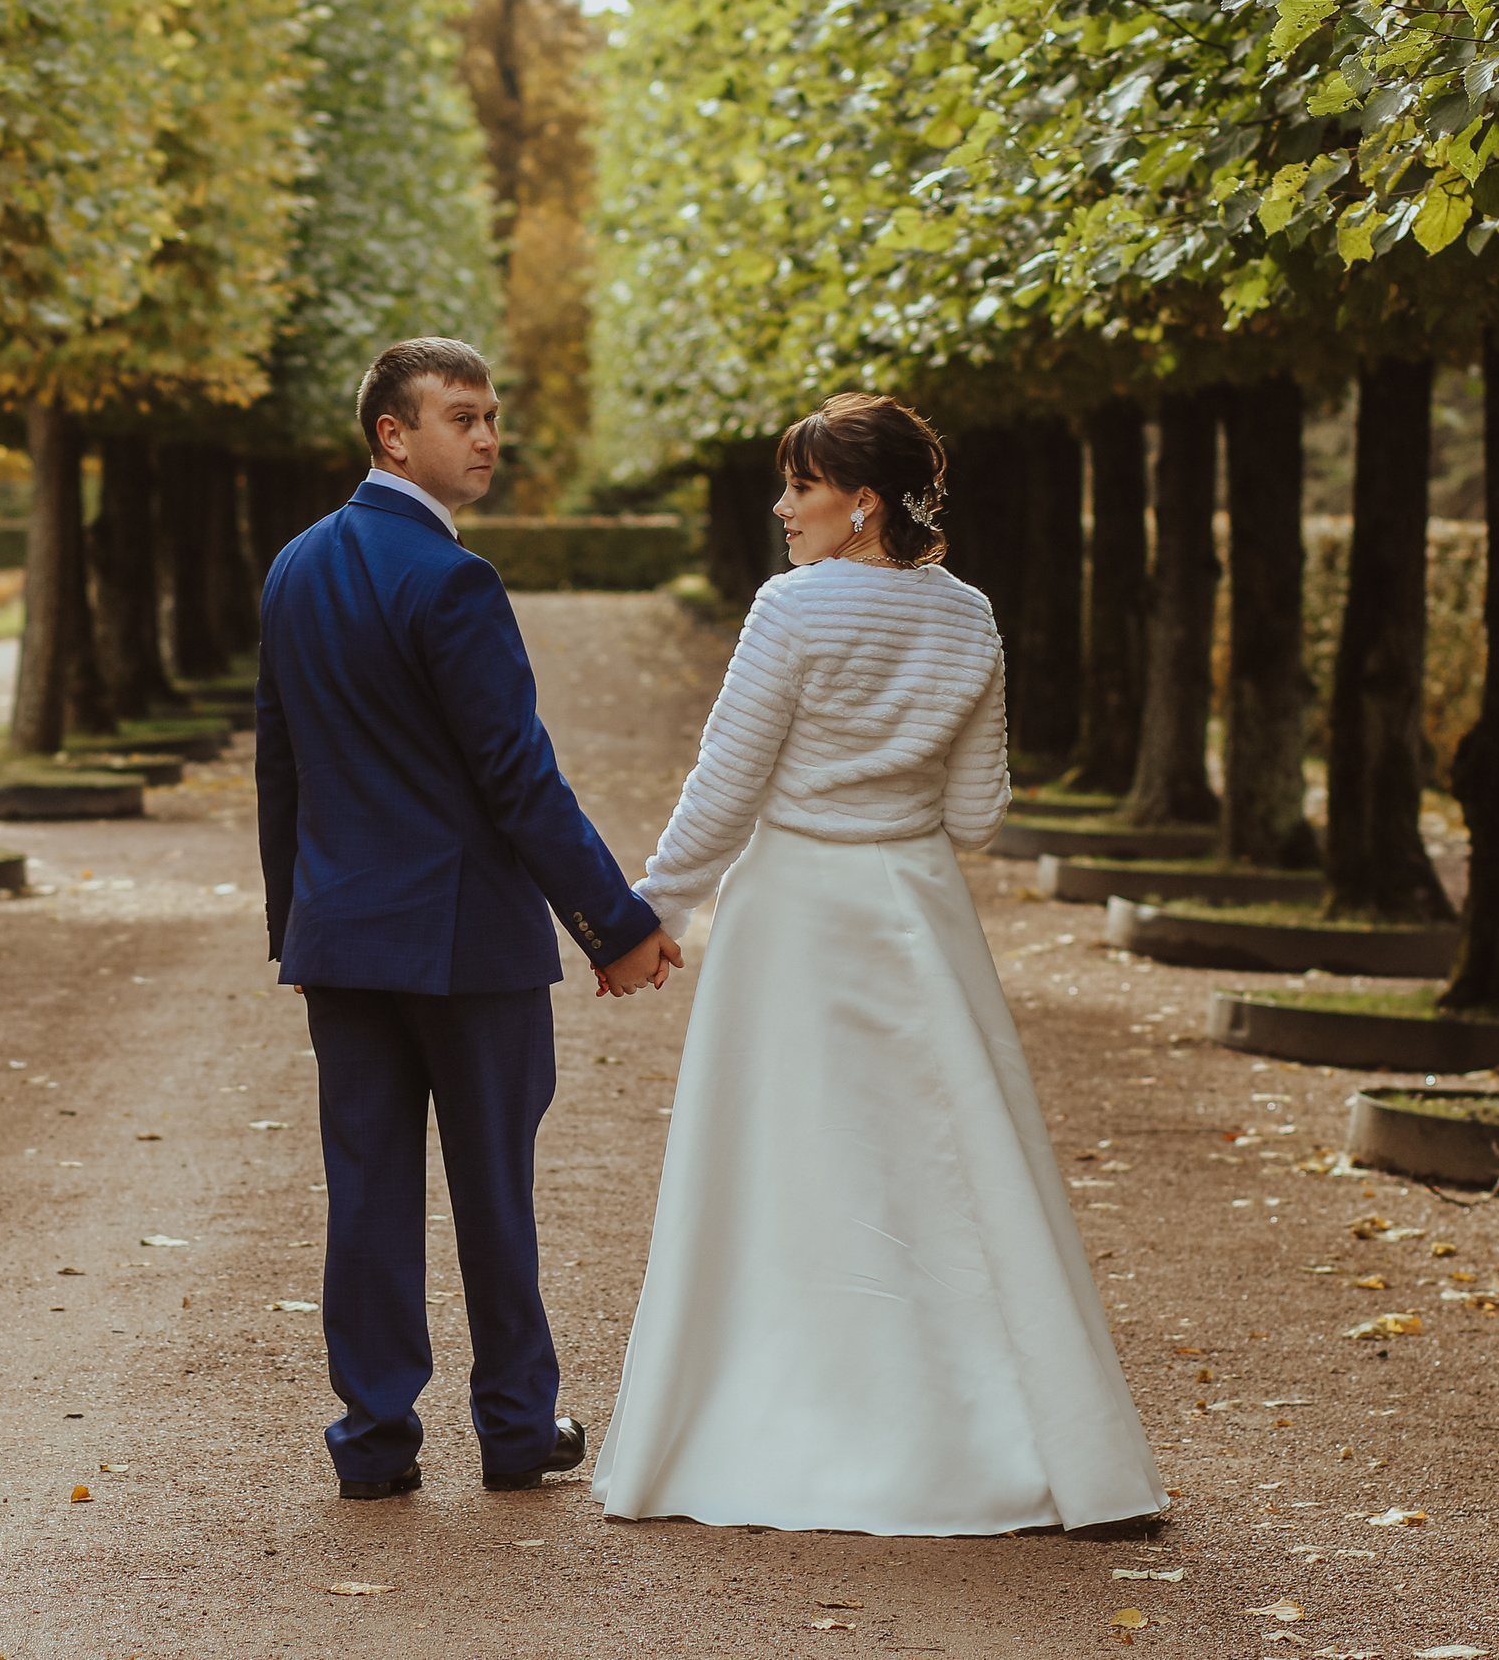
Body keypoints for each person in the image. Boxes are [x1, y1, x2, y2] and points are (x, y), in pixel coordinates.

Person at [589, 393, 1167, 1535]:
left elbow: (726, 786)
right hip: (918, 907)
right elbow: (976, 814)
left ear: (860, 503)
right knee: (953, 1172)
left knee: (786, 1165)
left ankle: (784, 1420)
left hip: (796, 915)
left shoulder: (790, 608)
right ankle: (1016, 1441)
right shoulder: (971, 615)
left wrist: (646, 914)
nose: (781, 507)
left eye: (799, 486)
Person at [255, 336, 686, 1501]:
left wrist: (294, 924)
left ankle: (373, 1443)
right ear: (393, 436)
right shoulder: (454, 580)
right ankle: (513, 1429)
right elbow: (518, 778)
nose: (488, 437)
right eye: (462, 417)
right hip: (465, 946)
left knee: (366, 1194)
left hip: (342, 941)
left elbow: (279, 769)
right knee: (493, 1191)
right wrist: (615, 925)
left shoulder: (293, 567)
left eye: (491, 415)